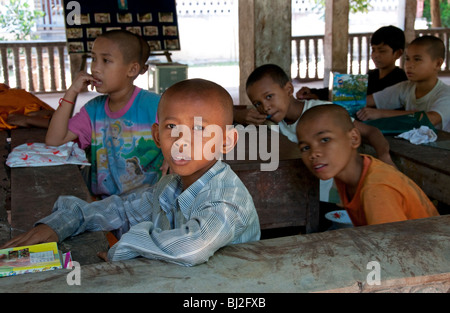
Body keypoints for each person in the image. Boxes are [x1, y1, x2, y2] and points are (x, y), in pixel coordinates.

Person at [1, 79, 261, 266]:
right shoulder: (170, 184)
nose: (182, 141)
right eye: (172, 126)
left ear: (227, 141)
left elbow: (192, 247)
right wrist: (62, 223)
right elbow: (122, 209)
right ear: (156, 136)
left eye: (200, 129)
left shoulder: (227, 199)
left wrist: (125, 246)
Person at [244, 64, 394, 202]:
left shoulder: (322, 113)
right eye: (258, 103)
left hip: (331, 198)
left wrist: (384, 156)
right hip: (303, 195)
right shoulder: (274, 123)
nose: (265, 107)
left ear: (289, 89)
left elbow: (371, 131)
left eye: (269, 96)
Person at [45, 30, 164, 198]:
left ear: (132, 69)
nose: (95, 68)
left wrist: (173, 155)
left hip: (145, 204)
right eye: (93, 59)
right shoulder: (93, 110)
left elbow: (186, 137)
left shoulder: (156, 105)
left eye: (106, 60)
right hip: (102, 204)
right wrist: (71, 92)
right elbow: (54, 140)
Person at [296, 104, 439, 226]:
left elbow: (391, 251)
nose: (314, 153)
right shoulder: (349, 172)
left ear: (354, 138)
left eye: (325, 139)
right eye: (305, 148)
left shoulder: (376, 190)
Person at [357, 35, 450, 133]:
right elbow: (369, 100)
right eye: (407, 59)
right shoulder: (405, 88)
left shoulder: (446, 94)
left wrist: (381, 113)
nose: (409, 65)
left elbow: (429, 119)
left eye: (417, 59)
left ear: (438, 64)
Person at [296, 25, 407, 101]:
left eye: (382, 51)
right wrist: (311, 91)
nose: (375, 55)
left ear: (397, 53)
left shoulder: (400, 80)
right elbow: (342, 89)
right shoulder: (371, 75)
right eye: (373, 50)